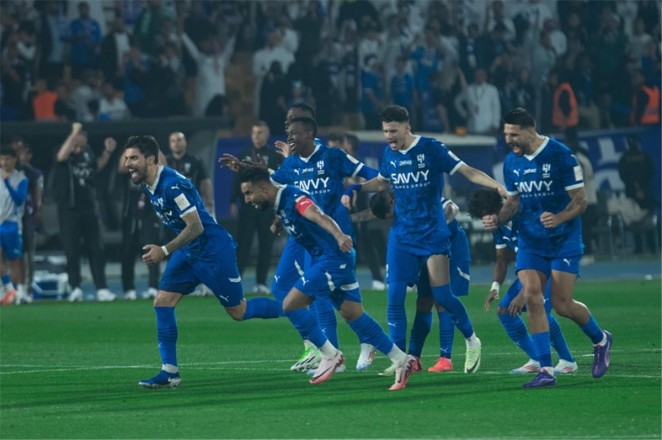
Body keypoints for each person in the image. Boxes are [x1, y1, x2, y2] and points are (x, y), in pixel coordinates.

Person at [342, 105, 505, 375]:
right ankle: (400, 359)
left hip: (432, 234)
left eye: (393, 131)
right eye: (385, 131)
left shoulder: (431, 148)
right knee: (394, 298)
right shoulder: (389, 153)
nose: (389, 136)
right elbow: (382, 182)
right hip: (402, 236)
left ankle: (472, 340)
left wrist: (496, 185)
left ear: (407, 127)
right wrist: (356, 187)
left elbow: (467, 171)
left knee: (442, 296)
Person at [221, 107, 381, 373]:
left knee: (334, 297)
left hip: (333, 233)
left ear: (308, 131)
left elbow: (373, 174)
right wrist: (245, 169)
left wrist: (361, 189)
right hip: (305, 236)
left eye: (292, 126)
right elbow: (269, 184)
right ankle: (324, 348)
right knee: (291, 289)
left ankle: (342, 349)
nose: (288, 133)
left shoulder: (331, 156)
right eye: (286, 126)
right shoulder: (292, 164)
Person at [122, 135, 283, 389]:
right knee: (162, 301)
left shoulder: (173, 186)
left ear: (149, 160)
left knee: (238, 312)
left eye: (133, 158)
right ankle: (169, 372)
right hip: (189, 251)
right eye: (126, 158)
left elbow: (195, 226)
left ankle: (291, 307)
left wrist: (164, 250)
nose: (127, 163)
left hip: (213, 251)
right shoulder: (150, 181)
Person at [238, 166, 417, 390]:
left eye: (249, 193)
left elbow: (318, 215)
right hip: (333, 258)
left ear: (264, 188)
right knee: (353, 314)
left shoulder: (294, 198)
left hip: (333, 259)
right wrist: (278, 220)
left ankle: (330, 354)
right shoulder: (281, 202)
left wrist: (339, 235)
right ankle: (402, 360)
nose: (247, 199)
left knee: (290, 304)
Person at [481, 107, 612, 388]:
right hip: (530, 240)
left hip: (563, 239)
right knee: (532, 297)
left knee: (563, 305)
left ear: (530, 131)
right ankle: (545, 369)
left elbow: (580, 200)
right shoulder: (511, 162)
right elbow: (513, 203)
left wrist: (559, 218)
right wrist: (497, 219)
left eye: (514, 134)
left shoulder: (560, 155)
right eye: (506, 134)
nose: (508, 140)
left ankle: (601, 339)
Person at [468, 188, 578, 375]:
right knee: (504, 311)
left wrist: (523, 294)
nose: (485, 222)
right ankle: (536, 359)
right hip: (529, 272)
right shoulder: (498, 226)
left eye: (486, 216)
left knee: (540, 310)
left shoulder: (523, 220)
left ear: (497, 209)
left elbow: (537, 259)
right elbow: (501, 259)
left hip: (547, 268)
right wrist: (495, 287)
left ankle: (567, 360)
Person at [363, 190, 472, 374]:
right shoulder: (399, 200)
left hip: (448, 243)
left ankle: (446, 358)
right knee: (423, 302)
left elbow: (452, 208)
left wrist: (438, 228)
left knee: (442, 299)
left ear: (392, 200)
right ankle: (413, 357)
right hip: (422, 245)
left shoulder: (418, 191)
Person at [53, 122, 117, 302]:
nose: (78, 141)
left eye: (81, 136)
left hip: (89, 207)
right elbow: (61, 157)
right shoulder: (62, 150)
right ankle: (75, 287)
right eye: (76, 137)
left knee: (96, 249)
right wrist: (73, 131)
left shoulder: (88, 152)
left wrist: (107, 153)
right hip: (69, 209)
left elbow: (95, 167)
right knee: (72, 250)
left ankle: (102, 288)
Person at [229, 121, 283, 295]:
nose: (256, 136)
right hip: (248, 208)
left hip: (267, 208)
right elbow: (237, 180)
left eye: (260, 132)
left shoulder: (274, 156)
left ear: (267, 134)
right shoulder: (244, 155)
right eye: (254, 133)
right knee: (242, 245)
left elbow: (279, 181)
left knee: (266, 245)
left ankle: (261, 282)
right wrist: (232, 200)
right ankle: (236, 281)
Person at [117, 139, 161, 300]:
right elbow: (121, 168)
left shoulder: (151, 168)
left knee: (152, 251)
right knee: (127, 252)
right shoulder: (130, 168)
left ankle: (153, 287)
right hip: (130, 216)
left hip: (150, 216)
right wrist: (129, 147)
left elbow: (162, 166)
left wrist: (154, 146)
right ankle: (128, 288)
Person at [10, 138, 43, 303]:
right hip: (6, 217)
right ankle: (9, 289)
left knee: (26, 254)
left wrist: (38, 207)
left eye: (22, 150)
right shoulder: (5, 170)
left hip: (24, 217)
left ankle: (26, 290)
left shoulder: (27, 171)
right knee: (8, 255)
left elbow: (36, 188)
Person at [618, 135, 657, 254]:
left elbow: (623, 176)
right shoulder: (644, 156)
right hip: (645, 192)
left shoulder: (624, 158)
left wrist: (635, 189)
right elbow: (651, 172)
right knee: (646, 218)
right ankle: (652, 246)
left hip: (632, 193)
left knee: (636, 218)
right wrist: (642, 189)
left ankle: (640, 247)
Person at [0, 147, 28, 306]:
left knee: (15, 260)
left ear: (14, 160)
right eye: (2, 158)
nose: (5, 162)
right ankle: (10, 288)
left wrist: (7, 183)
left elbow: (19, 199)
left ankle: (19, 291)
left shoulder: (21, 179)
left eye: (8, 158)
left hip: (12, 224)